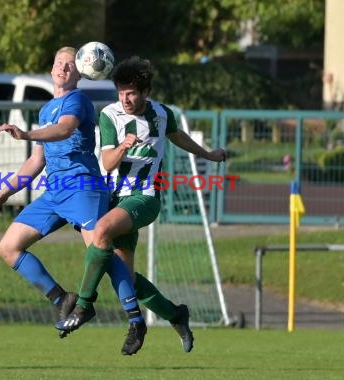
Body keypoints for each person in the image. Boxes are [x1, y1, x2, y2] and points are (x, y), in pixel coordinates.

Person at [56, 56, 227, 354]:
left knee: (102, 231)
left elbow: (178, 137)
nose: (125, 99)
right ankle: (175, 314)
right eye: (121, 92)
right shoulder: (110, 115)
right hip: (114, 199)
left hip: (145, 199)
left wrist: (208, 154)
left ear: (146, 91)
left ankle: (83, 306)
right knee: (127, 280)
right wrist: (123, 146)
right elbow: (107, 163)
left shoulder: (162, 114)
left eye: (131, 92)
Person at [0, 47, 142, 341]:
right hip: (54, 193)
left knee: (100, 252)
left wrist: (26, 133)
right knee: (8, 247)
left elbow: (65, 129)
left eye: (70, 65)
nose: (63, 68)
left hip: (82, 186)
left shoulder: (78, 100)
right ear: (51, 68)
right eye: (59, 63)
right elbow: (35, 162)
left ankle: (135, 318)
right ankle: (62, 300)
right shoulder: (45, 109)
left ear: (80, 72)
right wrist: (2, 194)